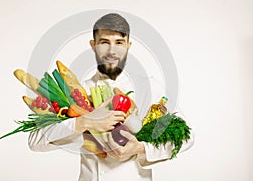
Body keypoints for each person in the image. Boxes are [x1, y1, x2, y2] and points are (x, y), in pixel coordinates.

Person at [28, 13, 194, 181]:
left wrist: (140, 148)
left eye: (119, 43)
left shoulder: (149, 88)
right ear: (93, 45)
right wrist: (85, 121)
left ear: (128, 45)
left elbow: (187, 137)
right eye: (104, 42)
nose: (112, 51)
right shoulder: (79, 93)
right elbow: (34, 141)